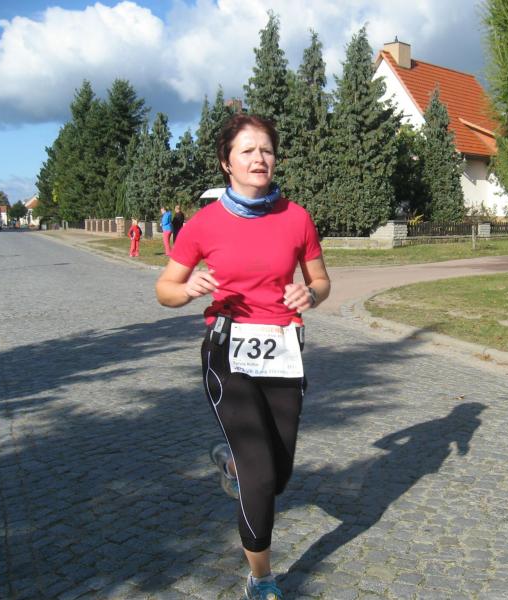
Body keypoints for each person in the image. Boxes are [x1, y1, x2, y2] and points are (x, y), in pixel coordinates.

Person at [155, 114, 330, 600]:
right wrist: (187, 288)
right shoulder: (203, 223)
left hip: (282, 350)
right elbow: (164, 289)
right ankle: (262, 577)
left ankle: (233, 467)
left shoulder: (296, 217)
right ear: (226, 162)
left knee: (279, 474)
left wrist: (311, 295)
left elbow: (320, 280)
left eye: (266, 150)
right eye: (247, 151)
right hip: (227, 351)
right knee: (260, 470)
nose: (259, 159)